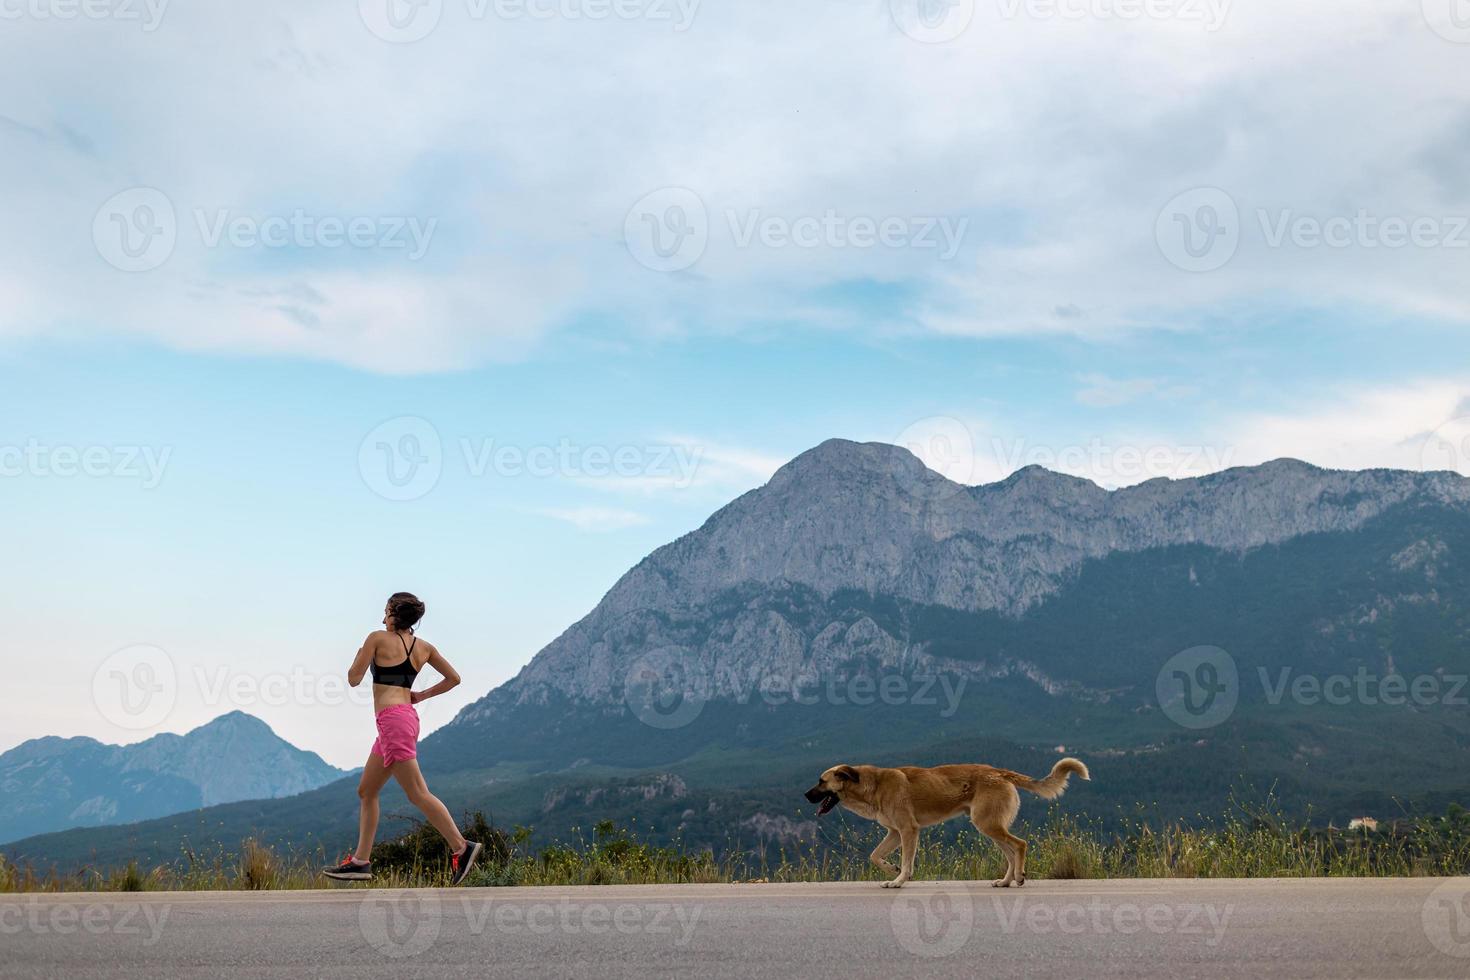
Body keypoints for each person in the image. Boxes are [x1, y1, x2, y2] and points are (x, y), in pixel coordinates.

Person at [321, 592, 482, 885]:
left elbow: (353, 678)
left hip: (392, 722)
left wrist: (361, 655)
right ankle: (361, 862)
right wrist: (421, 695)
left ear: (395, 613)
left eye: (385, 612)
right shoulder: (424, 647)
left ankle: (461, 846)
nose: (382, 618)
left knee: (417, 792)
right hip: (402, 718)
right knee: (366, 791)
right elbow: (454, 678)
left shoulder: (376, 639)